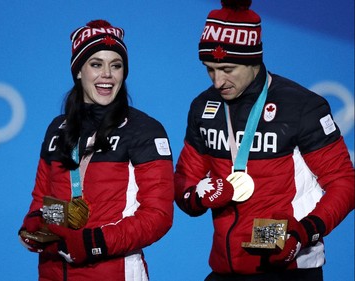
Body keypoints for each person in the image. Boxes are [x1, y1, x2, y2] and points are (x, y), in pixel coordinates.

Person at [174, 0, 354, 280]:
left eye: (228, 69)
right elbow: (184, 181)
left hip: (291, 268)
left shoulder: (302, 106)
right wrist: (198, 195)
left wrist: (303, 231)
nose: (218, 81)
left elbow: (344, 183)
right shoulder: (203, 107)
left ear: (253, 59)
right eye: (210, 69)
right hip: (225, 269)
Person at [18, 19, 174, 281]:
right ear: (79, 71)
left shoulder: (144, 131)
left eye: (116, 65)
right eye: (96, 64)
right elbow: (42, 196)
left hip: (115, 272)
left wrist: (92, 242)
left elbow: (158, 216)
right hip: (53, 272)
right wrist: (35, 223)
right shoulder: (58, 128)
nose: (107, 75)